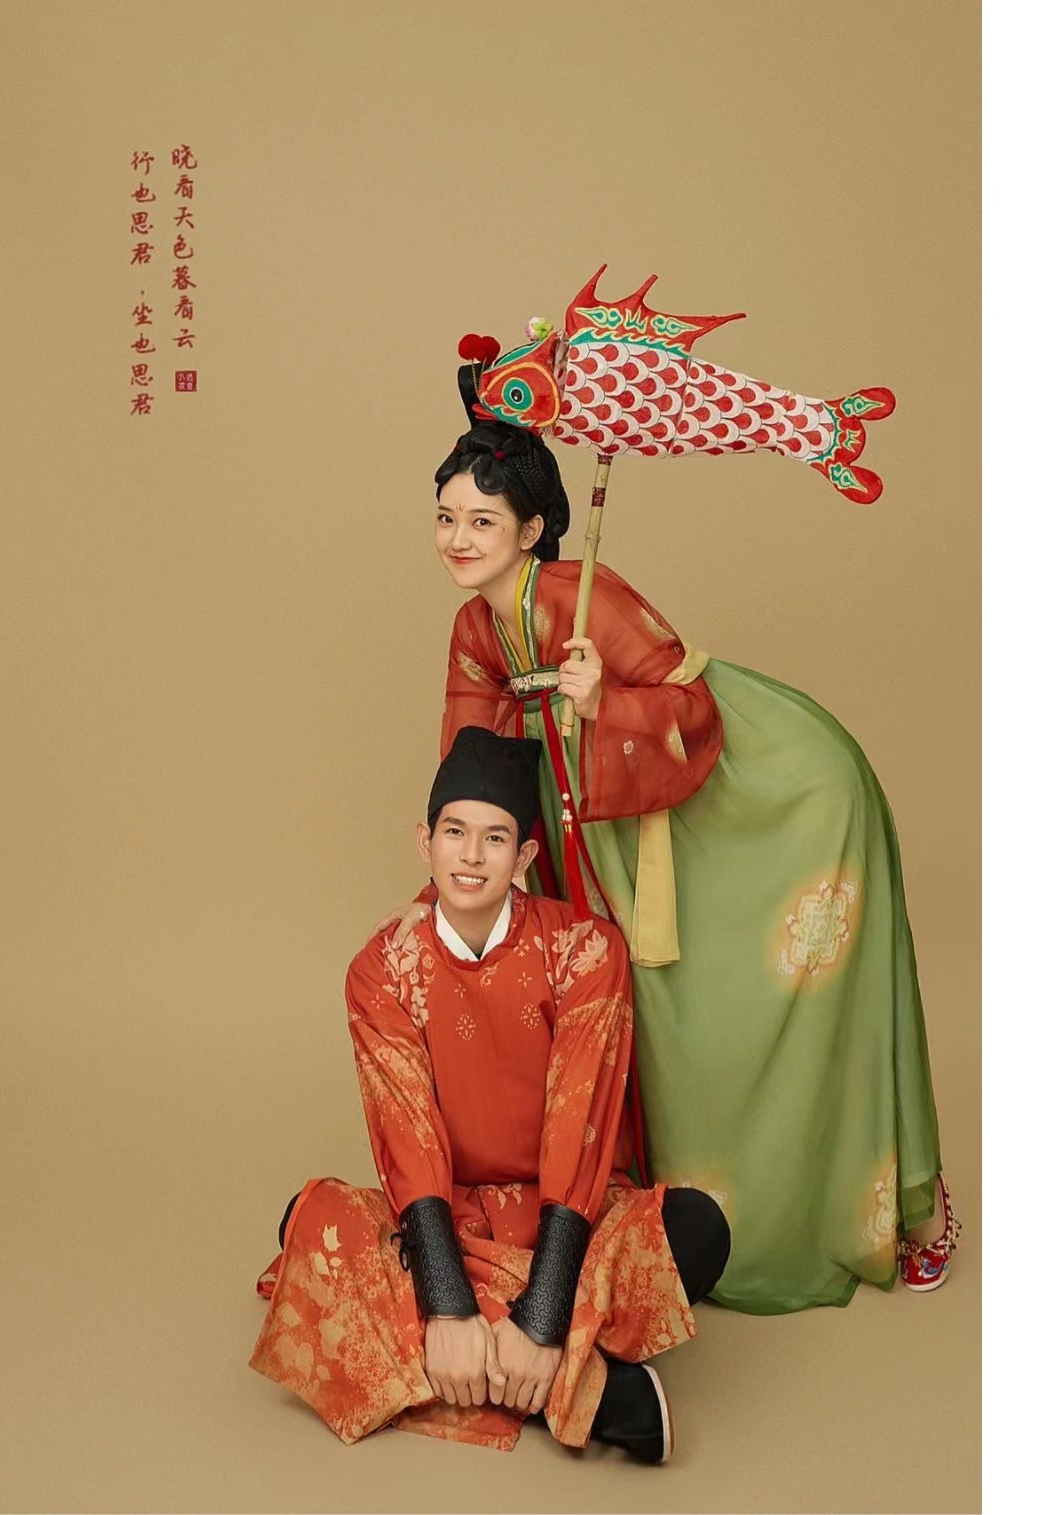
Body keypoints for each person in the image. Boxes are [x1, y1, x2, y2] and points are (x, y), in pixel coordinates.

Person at [383, 378, 960, 1315]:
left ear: (533, 530)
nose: (458, 537)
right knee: (609, 1007)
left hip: (696, 807)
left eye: (482, 520)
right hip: (573, 830)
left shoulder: (582, 595)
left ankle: (903, 1208)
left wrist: (602, 702)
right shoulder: (474, 626)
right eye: (446, 517)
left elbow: (689, 707)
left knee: (714, 1009)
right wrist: (466, 866)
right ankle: (620, 1209)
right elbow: (471, 759)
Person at [250, 728, 730, 1459]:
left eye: (495, 838)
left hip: (569, 1215)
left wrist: (543, 1311)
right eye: (455, 833)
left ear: (525, 857)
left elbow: (578, 1127)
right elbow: (408, 1135)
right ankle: (587, 1394)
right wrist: (447, 1302)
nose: (472, 855)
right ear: (425, 842)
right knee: (307, 1221)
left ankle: (484, 1357)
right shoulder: (383, 969)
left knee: (697, 1229)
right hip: (452, 1218)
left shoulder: (585, 949)